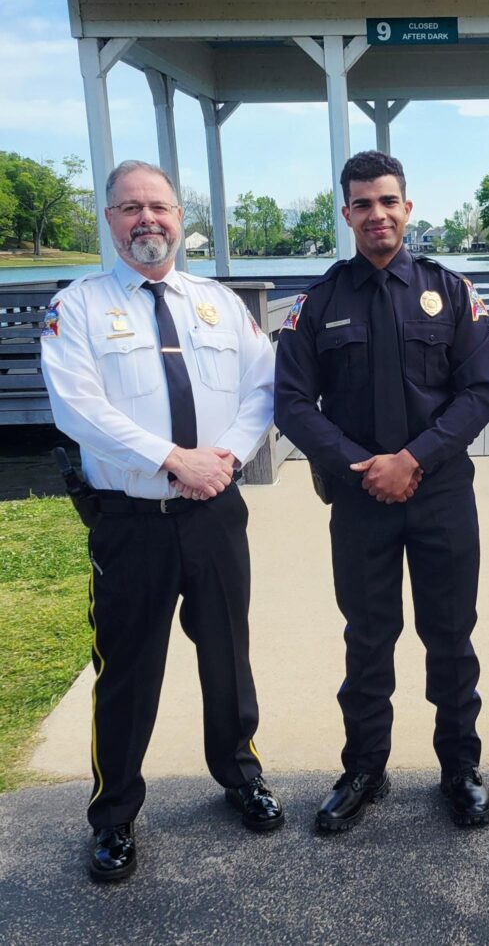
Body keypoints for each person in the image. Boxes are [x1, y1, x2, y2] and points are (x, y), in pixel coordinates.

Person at [40, 160, 283, 883]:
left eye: (160, 207)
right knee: (127, 669)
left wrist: (229, 459)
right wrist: (174, 457)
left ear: (180, 217)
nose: (148, 220)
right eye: (130, 208)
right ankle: (113, 815)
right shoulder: (77, 306)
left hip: (215, 511)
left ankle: (240, 773)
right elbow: (77, 407)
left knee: (227, 657)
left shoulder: (217, 303)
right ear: (108, 220)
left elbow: (264, 386)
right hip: (131, 519)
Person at [274, 151, 489, 831]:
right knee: (367, 638)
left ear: (408, 207)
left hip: (441, 495)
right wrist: (363, 465)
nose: (377, 214)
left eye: (388, 201)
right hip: (358, 499)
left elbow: (481, 392)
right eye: (363, 204)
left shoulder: (452, 291)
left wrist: (412, 458)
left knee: (451, 638)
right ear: (345, 215)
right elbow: (291, 402)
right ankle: (365, 768)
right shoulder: (317, 303)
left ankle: (459, 767)